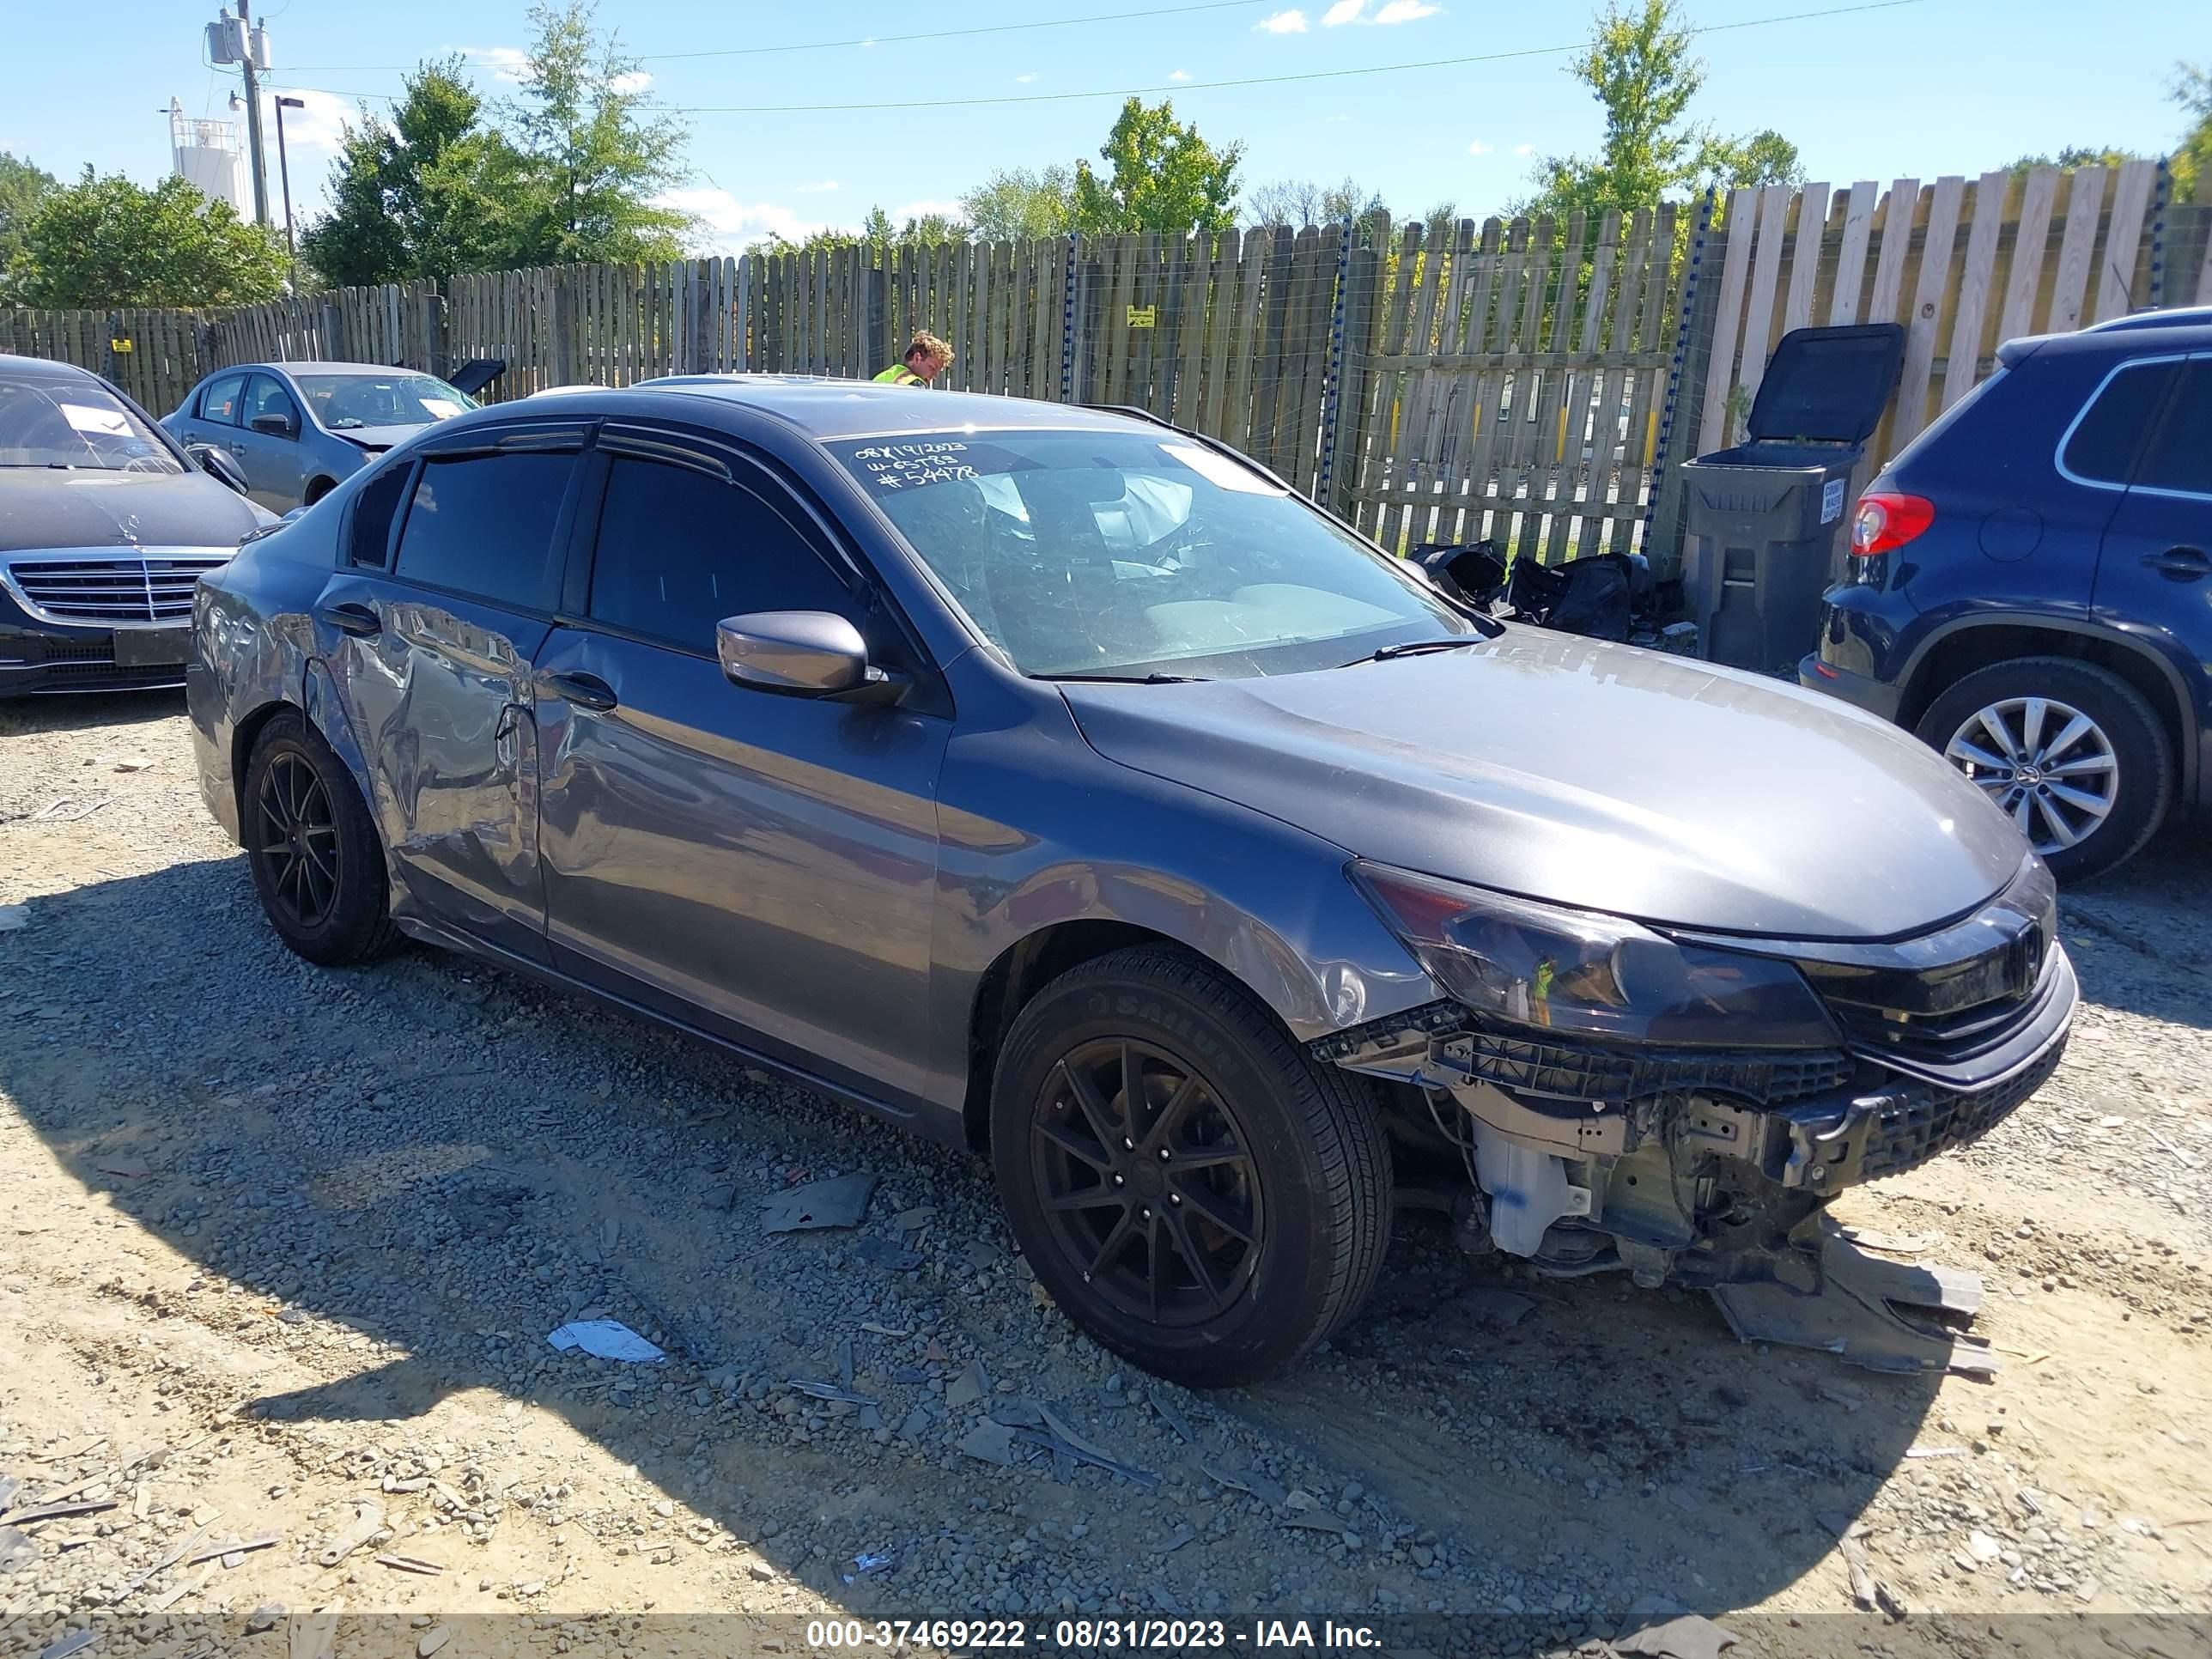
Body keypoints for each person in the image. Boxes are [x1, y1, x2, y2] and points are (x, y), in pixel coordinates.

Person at [872, 330, 954, 386]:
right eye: (932, 368)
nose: (935, 376)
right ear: (917, 358)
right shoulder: (914, 384)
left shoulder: (881, 377)